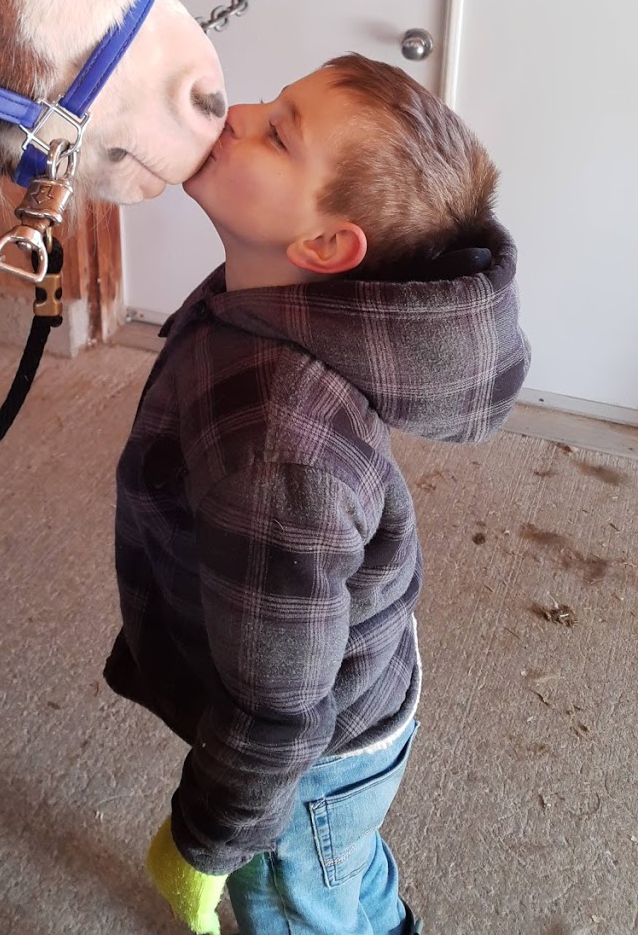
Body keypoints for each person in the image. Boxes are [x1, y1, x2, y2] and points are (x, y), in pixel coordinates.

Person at [104, 53, 531, 934]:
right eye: (274, 101)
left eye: (278, 131)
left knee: (300, 903)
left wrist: (206, 837)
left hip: (307, 768)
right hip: (349, 705)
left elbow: (278, 699)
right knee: (344, 867)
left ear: (327, 246)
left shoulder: (279, 441)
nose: (240, 110)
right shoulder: (264, 294)